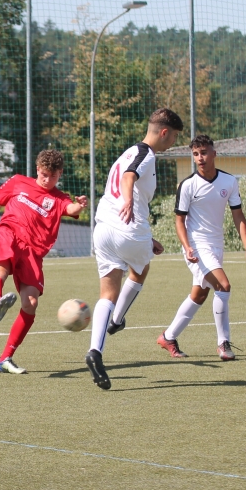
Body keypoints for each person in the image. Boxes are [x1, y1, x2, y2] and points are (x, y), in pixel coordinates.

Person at [0, 149, 87, 374]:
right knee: (0, 271)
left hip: (33, 252)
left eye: (53, 176)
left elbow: (70, 208)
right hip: (9, 234)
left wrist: (81, 205)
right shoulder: (18, 182)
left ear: (60, 174)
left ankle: (5, 358)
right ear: (37, 169)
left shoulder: (59, 198)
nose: (47, 180)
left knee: (31, 304)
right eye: (44, 174)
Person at [86, 108, 182, 390]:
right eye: (174, 137)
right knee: (141, 270)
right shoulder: (146, 154)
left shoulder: (127, 152)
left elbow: (126, 179)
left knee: (107, 294)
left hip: (103, 229)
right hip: (127, 226)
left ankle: (95, 351)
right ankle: (117, 320)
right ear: (164, 132)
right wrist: (128, 203)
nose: (174, 142)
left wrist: (145, 240)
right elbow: (128, 179)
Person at [157, 135, 246, 362]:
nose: (200, 158)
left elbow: (238, 215)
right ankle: (223, 343)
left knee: (200, 294)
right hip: (196, 246)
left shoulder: (229, 182)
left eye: (203, 152)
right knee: (223, 285)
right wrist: (187, 247)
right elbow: (179, 221)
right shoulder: (188, 185)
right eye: (195, 154)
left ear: (214, 153)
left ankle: (168, 337)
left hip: (216, 245)